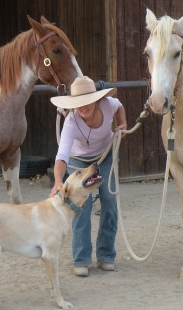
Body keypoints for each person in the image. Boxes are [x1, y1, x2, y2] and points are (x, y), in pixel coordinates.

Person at [50, 76, 127, 277]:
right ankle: (81, 258)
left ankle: (106, 256)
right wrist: (58, 180)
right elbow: (62, 155)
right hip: (79, 161)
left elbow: (119, 107)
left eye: (86, 101)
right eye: (78, 103)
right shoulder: (71, 122)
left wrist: (122, 124)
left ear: (96, 99)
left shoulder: (108, 104)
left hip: (106, 155)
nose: (82, 106)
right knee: (82, 206)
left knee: (110, 201)